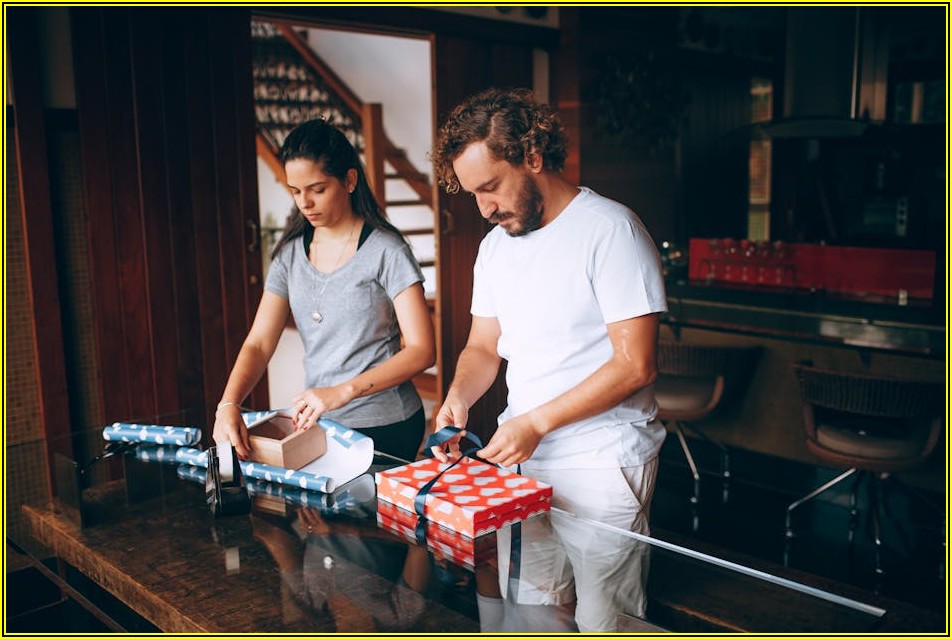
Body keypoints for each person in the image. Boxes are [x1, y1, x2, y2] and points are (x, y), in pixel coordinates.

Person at [428, 87, 667, 631]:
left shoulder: (611, 231)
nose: (485, 208)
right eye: (473, 194)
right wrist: (459, 397)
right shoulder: (494, 248)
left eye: (491, 187)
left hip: (604, 461)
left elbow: (636, 366)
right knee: (533, 616)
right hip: (523, 460)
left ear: (532, 156)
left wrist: (537, 422)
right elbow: (483, 347)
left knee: (607, 623)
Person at [213, 118, 435, 462]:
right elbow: (258, 343)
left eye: (317, 189)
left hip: (385, 422)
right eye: (295, 191)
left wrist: (342, 392)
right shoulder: (289, 255)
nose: (305, 203)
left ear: (349, 180)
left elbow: (422, 350)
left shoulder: (386, 251)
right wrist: (228, 403)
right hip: (321, 422)